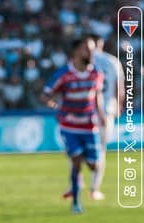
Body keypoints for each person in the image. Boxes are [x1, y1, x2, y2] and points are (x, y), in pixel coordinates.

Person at [41, 37, 105, 214]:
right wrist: (51, 103)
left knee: (94, 165)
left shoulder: (96, 74)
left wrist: (101, 114)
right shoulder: (64, 74)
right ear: (76, 51)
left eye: (92, 49)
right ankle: (76, 202)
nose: (91, 53)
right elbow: (46, 93)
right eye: (87, 49)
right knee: (76, 162)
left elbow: (97, 95)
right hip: (69, 125)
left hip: (89, 125)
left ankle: (83, 161)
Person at [75, 33, 123, 200]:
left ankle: (76, 183)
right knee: (100, 151)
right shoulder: (113, 61)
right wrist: (119, 106)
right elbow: (120, 88)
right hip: (106, 111)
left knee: (78, 150)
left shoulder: (82, 62)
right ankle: (94, 189)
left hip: (83, 111)